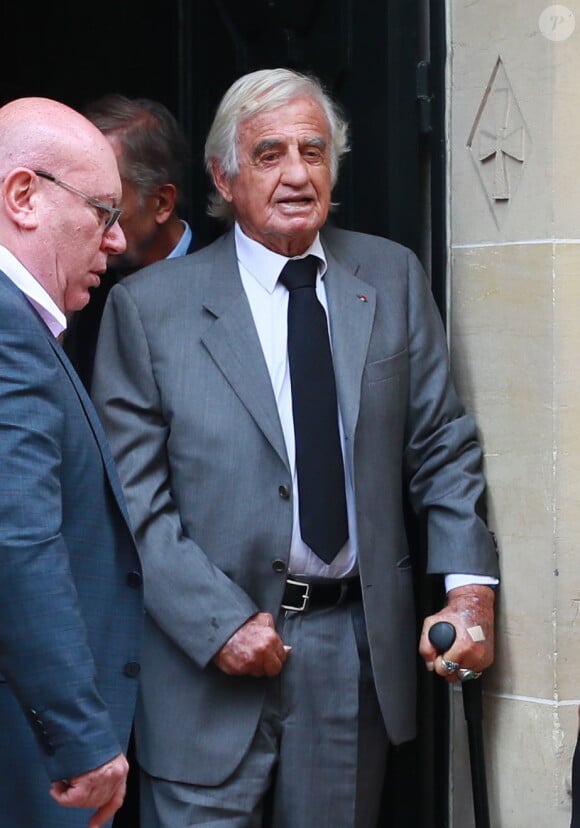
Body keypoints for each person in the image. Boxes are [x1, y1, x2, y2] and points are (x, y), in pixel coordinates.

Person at [92, 68, 500, 828]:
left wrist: (470, 589)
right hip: (205, 667)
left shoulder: (389, 277)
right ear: (224, 174)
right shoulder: (148, 310)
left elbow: (442, 443)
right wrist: (219, 624)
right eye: (270, 153)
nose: (295, 174)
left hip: (351, 657)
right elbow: (132, 502)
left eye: (314, 152)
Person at [0, 97, 143, 828]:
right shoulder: (5, 327)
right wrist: (84, 740)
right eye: (102, 211)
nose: (117, 240)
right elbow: (17, 539)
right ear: (23, 197)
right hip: (32, 764)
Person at [64, 93, 199, 390]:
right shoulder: (78, 294)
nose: (86, 223)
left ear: (162, 203)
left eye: (105, 207)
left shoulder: (230, 280)